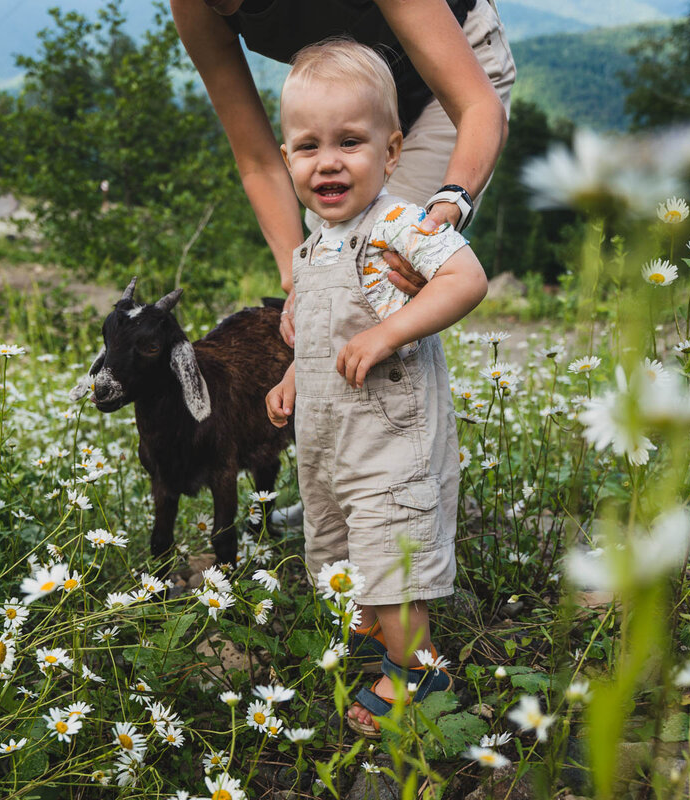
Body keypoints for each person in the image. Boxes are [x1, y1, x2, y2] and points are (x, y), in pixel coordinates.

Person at [264, 39, 487, 737]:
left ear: (392, 154)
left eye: (350, 142)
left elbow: (465, 280)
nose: (328, 161)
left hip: (389, 442)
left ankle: (420, 671)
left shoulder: (395, 225)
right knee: (340, 551)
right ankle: (373, 645)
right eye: (308, 147)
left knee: (393, 557)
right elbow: (328, 330)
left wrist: (389, 333)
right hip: (331, 447)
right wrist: (293, 373)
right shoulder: (313, 243)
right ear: (288, 159)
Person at [170, 0, 514, 346]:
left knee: (378, 273)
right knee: (330, 288)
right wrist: (298, 277)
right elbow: (258, 161)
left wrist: (449, 205)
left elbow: (477, 107)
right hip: (338, 110)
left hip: (450, 74)